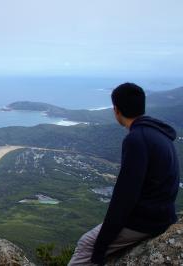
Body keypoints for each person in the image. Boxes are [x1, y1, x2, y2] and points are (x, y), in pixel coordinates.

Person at [68, 83, 180, 265]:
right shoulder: (158, 133)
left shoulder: (136, 139)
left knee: (87, 244)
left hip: (148, 220)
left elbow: (125, 195)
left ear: (116, 110)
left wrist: (102, 244)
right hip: (163, 213)